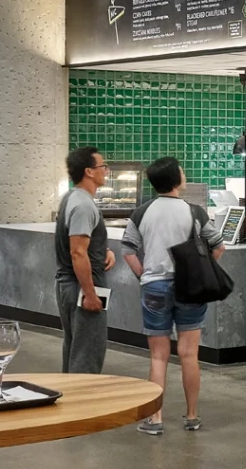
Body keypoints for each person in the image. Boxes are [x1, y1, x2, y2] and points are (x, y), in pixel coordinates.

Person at [123, 156, 223, 435]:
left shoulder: (141, 212)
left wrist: (144, 275)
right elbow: (218, 246)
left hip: (154, 287)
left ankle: (155, 419)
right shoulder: (195, 212)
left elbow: (128, 250)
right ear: (176, 180)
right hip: (189, 287)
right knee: (189, 355)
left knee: (158, 356)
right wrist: (202, 271)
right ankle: (192, 416)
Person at [55, 146, 117, 374]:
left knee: (75, 348)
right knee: (87, 355)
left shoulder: (72, 198)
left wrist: (103, 251)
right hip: (81, 286)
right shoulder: (83, 205)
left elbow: (81, 244)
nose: (106, 171)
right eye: (103, 166)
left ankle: (70, 394)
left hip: (71, 285)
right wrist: (90, 294)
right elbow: (77, 252)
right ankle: (82, 395)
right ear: (89, 171)